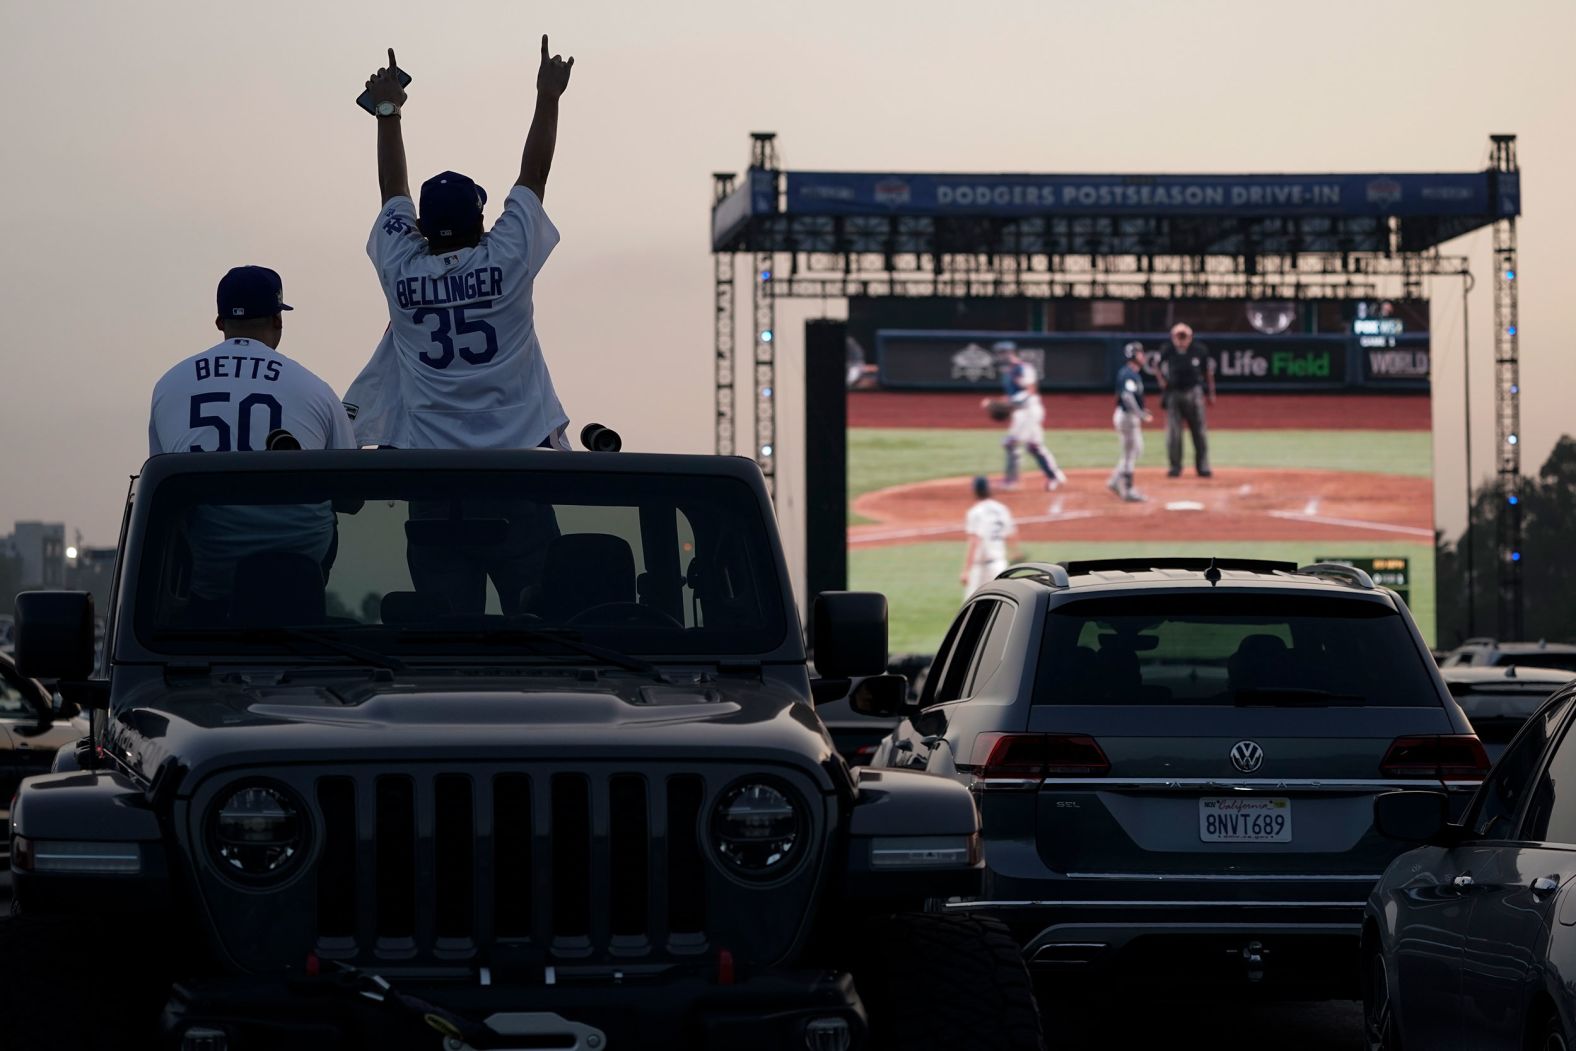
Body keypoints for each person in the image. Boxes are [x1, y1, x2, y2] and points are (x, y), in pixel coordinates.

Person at [348, 40, 574, 452]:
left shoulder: (401, 267)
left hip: (431, 467)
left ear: (419, 228)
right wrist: (548, 96)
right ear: (482, 221)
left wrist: (388, 111)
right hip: (522, 462)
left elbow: (391, 189)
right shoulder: (508, 257)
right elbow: (536, 172)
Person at [148, 266, 355, 613]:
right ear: (278, 320)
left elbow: (164, 489)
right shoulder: (313, 387)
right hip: (299, 557)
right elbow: (352, 498)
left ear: (219, 322)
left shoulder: (169, 385)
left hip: (210, 562)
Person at [985, 341, 1067, 491]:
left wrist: (1011, 403)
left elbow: (1030, 391)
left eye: (1002, 353)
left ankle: (1011, 481)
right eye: (999, 354)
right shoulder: (1008, 372)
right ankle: (1055, 476)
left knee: (1010, 443)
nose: (1000, 357)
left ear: (1010, 353)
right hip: (1021, 413)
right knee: (1034, 446)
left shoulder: (1023, 368)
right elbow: (1011, 396)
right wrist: (994, 402)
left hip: (1029, 411)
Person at [1156, 322, 1215, 478]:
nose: (1181, 339)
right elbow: (1156, 366)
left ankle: (1202, 466)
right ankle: (1175, 467)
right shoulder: (1167, 349)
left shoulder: (1200, 350)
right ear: (1173, 336)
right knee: (1174, 433)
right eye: (1178, 336)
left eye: (1184, 336)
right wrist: (1162, 382)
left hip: (1194, 393)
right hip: (1174, 393)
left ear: (1190, 336)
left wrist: (1211, 393)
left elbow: (1208, 372)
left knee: (1199, 432)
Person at [1107, 342, 1153, 502]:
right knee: (1130, 454)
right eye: (1140, 354)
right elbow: (1127, 397)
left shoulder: (1131, 373)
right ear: (1133, 356)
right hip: (1127, 418)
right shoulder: (1129, 374)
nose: (1143, 356)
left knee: (1137, 450)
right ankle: (1128, 490)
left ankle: (1114, 481)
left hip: (1128, 416)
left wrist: (1140, 411)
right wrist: (1140, 413)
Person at [960, 476, 1018, 599]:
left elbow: (974, 541)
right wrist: (1015, 552)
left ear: (974, 491)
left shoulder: (975, 512)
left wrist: (966, 570)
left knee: (971, 607)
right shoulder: (1001, 509)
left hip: (980, 569)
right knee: (1000, 605)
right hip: (999, 565)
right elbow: (1010, 534)